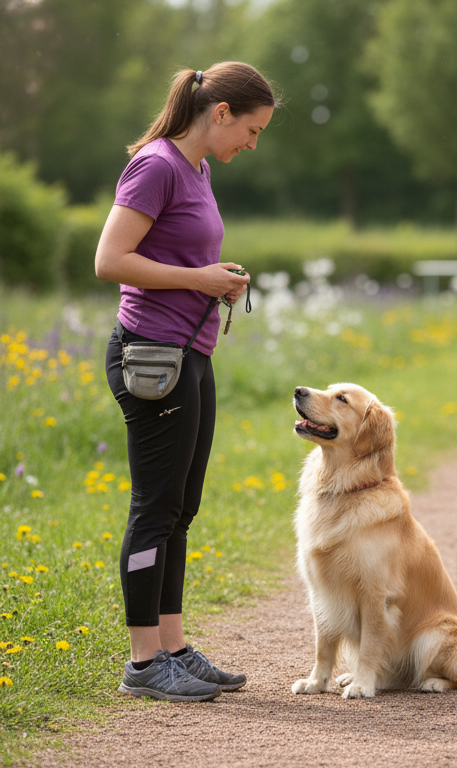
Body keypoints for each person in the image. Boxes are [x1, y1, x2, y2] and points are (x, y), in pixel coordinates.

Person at [94, 62, 276, 700]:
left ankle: (172, 645)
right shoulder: (157, 164)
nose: (251, 145)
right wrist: (201, 280)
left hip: (190, 352)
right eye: (251, 131)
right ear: (220, 112)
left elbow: (171, 252)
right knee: (154, 509)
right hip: (151, 356)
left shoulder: (195, 169)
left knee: (181, 508)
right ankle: (144, 664)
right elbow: (110, 260)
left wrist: (211, 271)